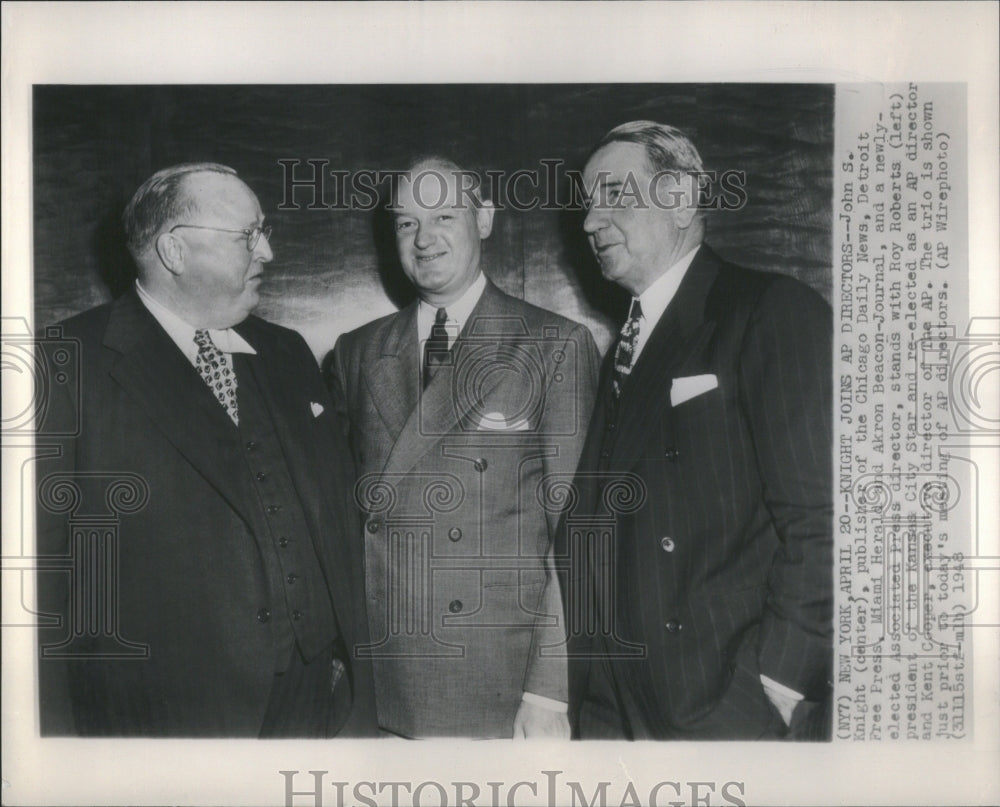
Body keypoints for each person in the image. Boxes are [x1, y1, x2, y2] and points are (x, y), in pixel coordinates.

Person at [35, 163, 376, 737]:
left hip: (314, 697)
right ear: (174, 249)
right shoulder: (60, 364)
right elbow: (37, 588)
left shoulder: (287, 351)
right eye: (248, 235)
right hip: (169, 718)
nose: (266, 250)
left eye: (263, 230)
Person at [560, 121, 833, 740]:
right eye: (586, 201)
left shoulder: (770, 309)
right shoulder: (625, 345)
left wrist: (778, 684)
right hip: (614, 704)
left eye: (612, 193)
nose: (588, 221)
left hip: (719, 708)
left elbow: (824, 517)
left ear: (681, 199)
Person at [327, 156, 599, 738]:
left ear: (485, 219)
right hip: (379, 673)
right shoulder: (355, 351)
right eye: (405, 223)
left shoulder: (555, 345)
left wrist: (549, 691)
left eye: (444, 215)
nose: (423, 239)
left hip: (496, 676)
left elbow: (576, 536)